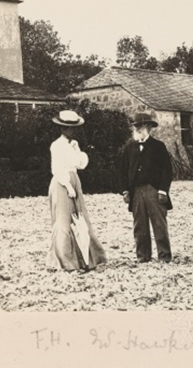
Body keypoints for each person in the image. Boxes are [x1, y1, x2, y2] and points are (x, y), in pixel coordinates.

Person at [45, 110, 107, 271]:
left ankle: (86, 259)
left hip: (74, 179)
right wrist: (67, 185)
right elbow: (56, 168)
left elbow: (81, 164)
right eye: (68, 128)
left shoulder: (72, 144)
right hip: (62, 182)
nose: (72, 131)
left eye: (74, 128)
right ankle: (64, 261)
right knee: (64, 220)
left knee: (80, 218)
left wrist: (77, 149)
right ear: (62, 129)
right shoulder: (56, 145)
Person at [120, 112, 174, 263]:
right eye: (136, 126)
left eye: (141, 126)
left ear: (149, 127)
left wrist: (163, 190)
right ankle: (143, 256)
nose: (138, 129)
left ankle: (164, 256)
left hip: (154, 190)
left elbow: (167, 171)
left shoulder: (158, 147)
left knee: (159, 224)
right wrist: (125, 190)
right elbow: (122, 170)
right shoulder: (129, 147)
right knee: (140, 225)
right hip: (136, 191)